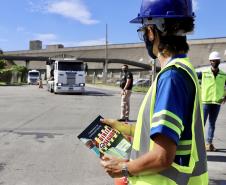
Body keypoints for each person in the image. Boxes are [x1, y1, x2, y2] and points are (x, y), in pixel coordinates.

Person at [100, 0, 208, 184]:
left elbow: (162, 156)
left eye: (143, 31)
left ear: (151, 31)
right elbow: (162, 133)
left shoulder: (171, 77)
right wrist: (123, 127)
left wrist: (124, 168)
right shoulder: (184, 69)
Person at [197, 51, 226, 151]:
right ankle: (198, 143)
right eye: (213, 60)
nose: (215, 62)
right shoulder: (203, 73)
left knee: (212, 124)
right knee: (202, 123)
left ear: (219, 61)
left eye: (217, 60)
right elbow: (191, 76)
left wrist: (225, 96)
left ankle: (209, 143)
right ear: (210, 61)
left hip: (216, 102)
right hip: (205, 101)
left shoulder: (223, 75)